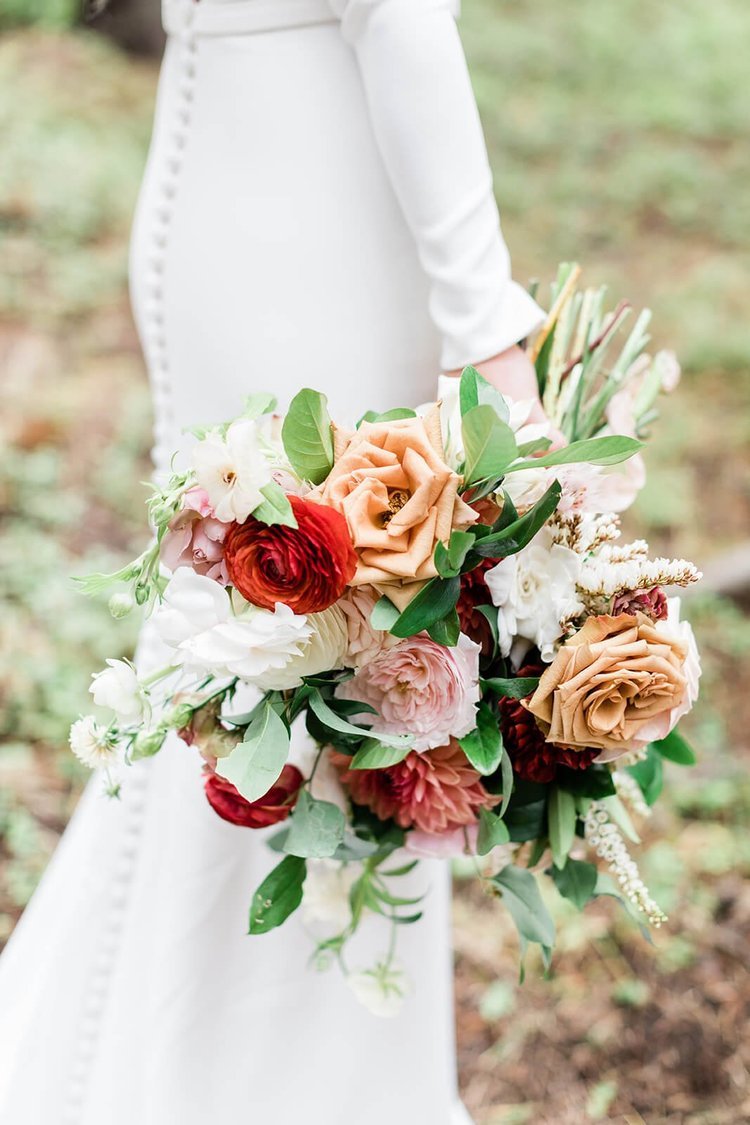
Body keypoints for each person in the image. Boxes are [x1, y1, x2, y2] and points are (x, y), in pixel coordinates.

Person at [0, 2, 548, 1121]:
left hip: (276, 183)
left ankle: (222, 1069)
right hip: (304, 210)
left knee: (313, 656)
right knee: (290, 643)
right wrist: (489, 327)